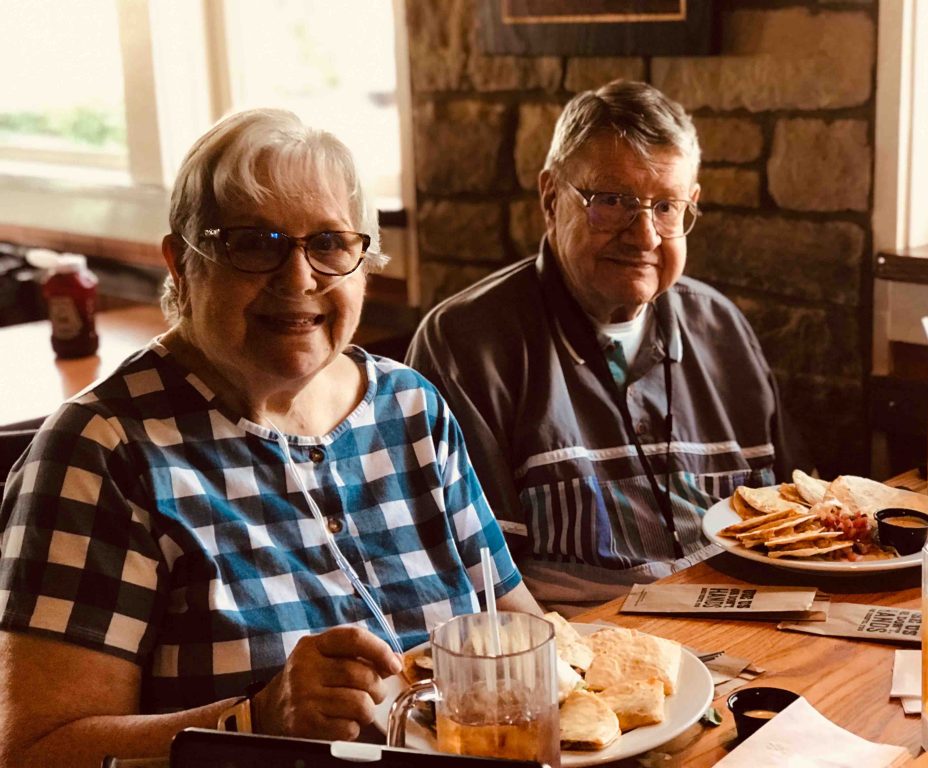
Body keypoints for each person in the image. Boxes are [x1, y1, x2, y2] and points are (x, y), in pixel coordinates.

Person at [0, 109, 539, 767]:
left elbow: (521, 630)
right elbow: (35, 751)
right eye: (253, 243)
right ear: (180, 263)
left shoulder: (410, 408)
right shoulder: (103, 453)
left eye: (331, 244)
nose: (298, 279)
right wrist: (259, 718)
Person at [407, 81, 805, 615]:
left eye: (666, 207)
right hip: (580, 659)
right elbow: (471, 585)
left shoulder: (723, 328)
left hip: (748, 626)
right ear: (551, 198)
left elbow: (794, 518)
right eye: (612, 202)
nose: (644, 236)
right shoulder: (464, 344)